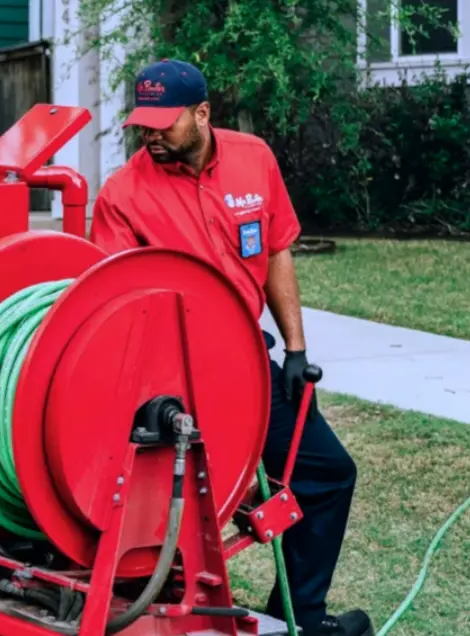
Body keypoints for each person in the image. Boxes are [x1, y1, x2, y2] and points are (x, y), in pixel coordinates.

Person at [88, 59, 373, 636]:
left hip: (249, 362)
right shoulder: (122, 195)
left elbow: (276, 251)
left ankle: (297, 619)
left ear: (202, 114)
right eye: (143, 123)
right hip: (170, 385)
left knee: (327, 474)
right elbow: (112, 305)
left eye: (164, 123)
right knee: (188, 512)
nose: (151, 135)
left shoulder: (254, 158)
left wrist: (294, 350)